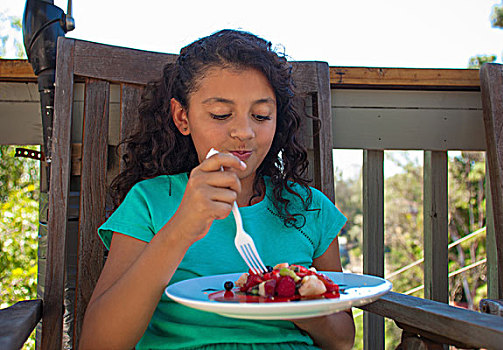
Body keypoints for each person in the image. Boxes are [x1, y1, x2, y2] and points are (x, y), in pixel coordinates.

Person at [79, 29, 355, 350]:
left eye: (261, 115)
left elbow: (342, 339)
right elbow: (98, 343)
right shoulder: (150, 203)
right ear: (183, 117)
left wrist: (288, 292)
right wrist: (180, 229)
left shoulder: (309, 209)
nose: (244, 132)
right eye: (221, 114)